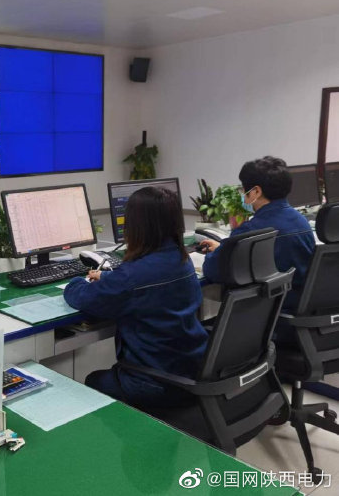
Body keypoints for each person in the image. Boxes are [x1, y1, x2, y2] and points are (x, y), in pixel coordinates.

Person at [64, 186, 208, 409]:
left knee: (94, 380)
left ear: (136, 225)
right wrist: (109, 278)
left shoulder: (133, 275)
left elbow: (82, 298)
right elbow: (139, 284)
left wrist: (76, 281)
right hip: (191, 371)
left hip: (152, 383)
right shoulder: (182, 259)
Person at [201, 156, 316, 315]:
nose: (243, 194)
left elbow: (212, 270)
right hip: (296, 306)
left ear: (256, 191)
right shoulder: (301, 222)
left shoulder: (250, 231)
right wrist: (224, 249)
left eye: (244, 190)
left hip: (266, 313)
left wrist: (217, 253)